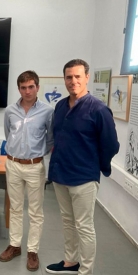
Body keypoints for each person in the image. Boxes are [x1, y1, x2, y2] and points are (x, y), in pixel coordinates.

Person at [46, 59, 119, 275]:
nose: (73, 81)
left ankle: (86, 270)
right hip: (60, 176)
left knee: (84, 227)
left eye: (78, 76)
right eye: (69, 77)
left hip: (83, 179)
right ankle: (70, 262)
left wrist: (96, 166)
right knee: (68, 222)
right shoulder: (60, 106)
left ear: (87, 77)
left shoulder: (98, 110)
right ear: (64, 79)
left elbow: (111, 145)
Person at [0, 70, 54, 271]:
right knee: (14, 208)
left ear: (37, 87)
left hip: (34, 166)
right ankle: (15, 246)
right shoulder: (9, 111)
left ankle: (32, 250)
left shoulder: (47, 111)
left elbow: (50, 139)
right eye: (23, 87)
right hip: (13, 164)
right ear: (19, 89)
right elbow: (8, 133)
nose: (27, 91)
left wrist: (38, 154)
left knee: (35, 211)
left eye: (31, 86)